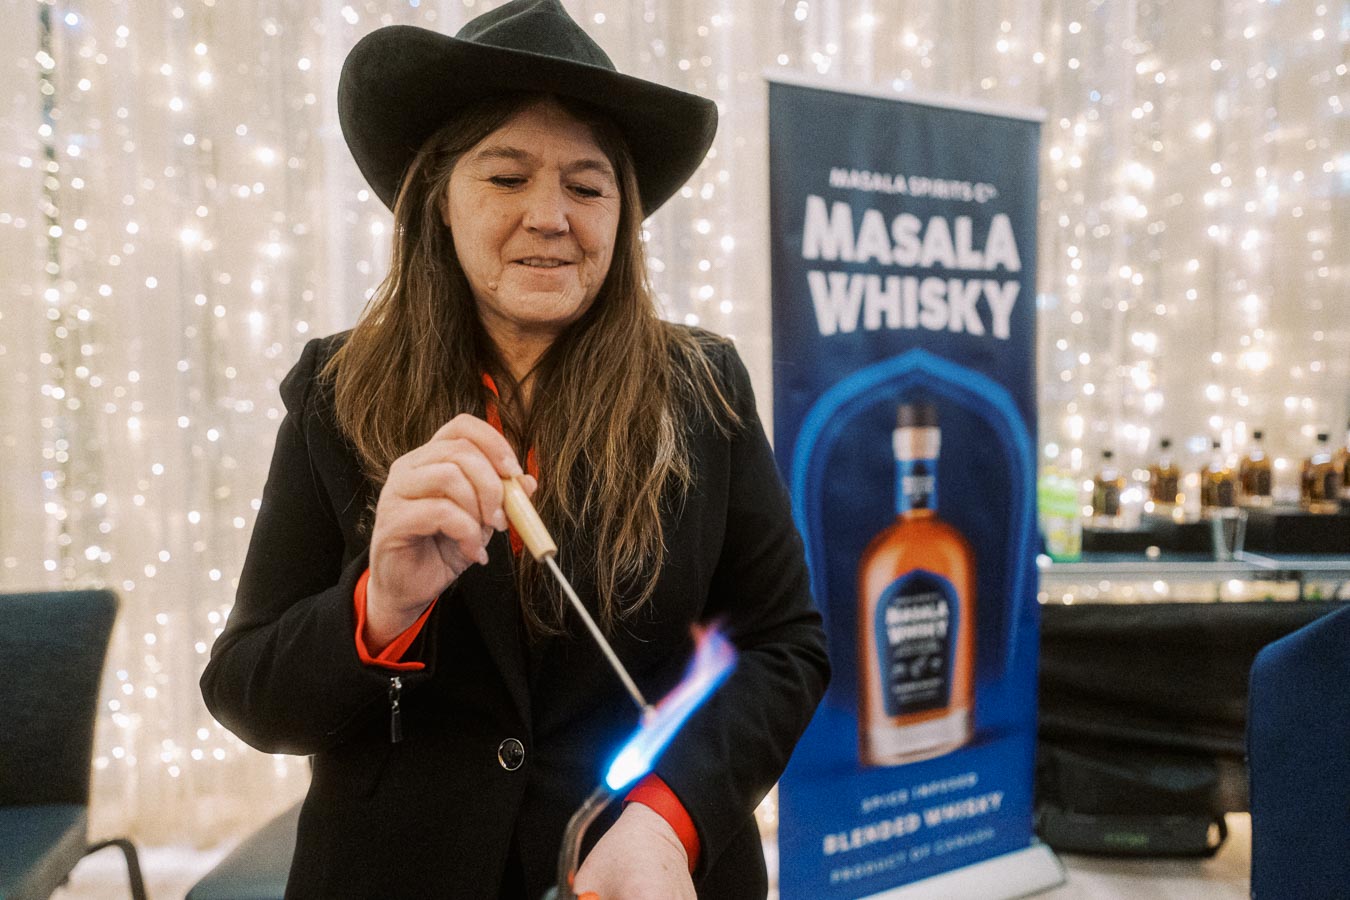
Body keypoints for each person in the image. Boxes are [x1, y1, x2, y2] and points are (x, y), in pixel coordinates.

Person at [200, 2, 829, 898]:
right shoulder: (335, 391)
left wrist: (669, 817)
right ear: (438, 201)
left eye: (586, 185)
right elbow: (248, 693)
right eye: (506, 176)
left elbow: (783, 644)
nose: (549, 216)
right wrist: (379, 606)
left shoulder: (704, 386)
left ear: (623, 215)